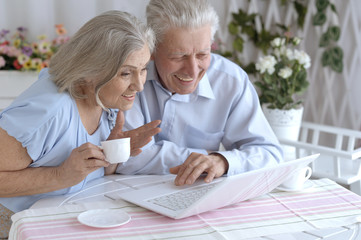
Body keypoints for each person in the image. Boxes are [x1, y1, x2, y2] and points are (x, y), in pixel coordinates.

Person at [0, 10, 160, 237]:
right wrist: (59, 176)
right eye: (126, 73)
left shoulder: (104, 100)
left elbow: (85, 174)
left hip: (63, 220)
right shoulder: (50, 111)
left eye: (143, 70)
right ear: (92, 70)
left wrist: (110, 155)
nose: (139, 85)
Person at [116, 0, 283, 186]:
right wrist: (203, 158)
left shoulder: (231, 81)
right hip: (128, 193)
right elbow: (125, 157)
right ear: (152, 49)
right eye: (179, 56)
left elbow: (269, 154)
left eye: (202, 55)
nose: (193, 71)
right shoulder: (127, 78)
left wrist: (223, 161)